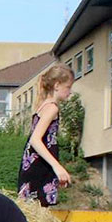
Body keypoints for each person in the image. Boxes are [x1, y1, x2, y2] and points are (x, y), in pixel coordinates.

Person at [16, 65, 74, 207]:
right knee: (39, 208)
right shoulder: (52, 108)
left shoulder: (42, 106)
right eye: (68, 87)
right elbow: (35, 139)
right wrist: (57, 167)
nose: (70, 92)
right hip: (39, 166)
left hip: (35, 163)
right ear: (57, 85)